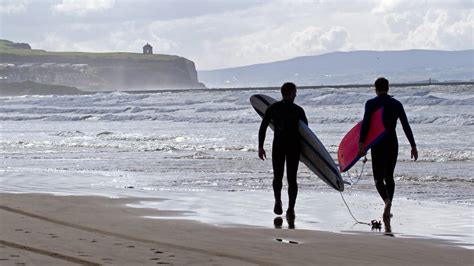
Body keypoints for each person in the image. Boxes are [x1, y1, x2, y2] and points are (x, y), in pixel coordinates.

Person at [358, 77, 418, 218]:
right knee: (389, 176)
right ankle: (389, 204)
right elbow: (405, 126)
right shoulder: (396, 104)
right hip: (392, 142)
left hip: (377, 144)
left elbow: (366, 124)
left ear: (376, 88)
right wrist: (413, 145)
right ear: (388, 88)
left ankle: (386, 201)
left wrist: (361, 143)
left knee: (378, 179)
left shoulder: (371, 104)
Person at [258, 82, 308, 220]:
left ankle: (277, 200)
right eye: (295, 92)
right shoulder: (298, 110)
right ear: (291, 93)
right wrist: (305, 156)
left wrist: (260, 147)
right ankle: (291, 209)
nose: (296, 94)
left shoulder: (273, 108)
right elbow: (306, 136)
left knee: (277, 176)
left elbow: (263, 127)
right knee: (292, 179)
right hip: (293, 147)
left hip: (278, 145)